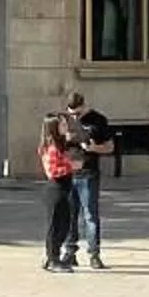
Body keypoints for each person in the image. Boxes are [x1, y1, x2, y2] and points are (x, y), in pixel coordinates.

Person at [65, 92, 117, 269]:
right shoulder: (65, 120)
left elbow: (110, 147)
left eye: (78, 114)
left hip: (88, 173)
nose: (74, 117)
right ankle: (69, 252)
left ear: (84, 106)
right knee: (69, 214)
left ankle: (94, 253)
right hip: (69, 172)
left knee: (90, 215)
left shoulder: (98, 120)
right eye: (71, 114)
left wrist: (94, 148)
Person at [38, 115, 87, 272]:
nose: (66, 126)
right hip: (56, 188)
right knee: (55, 225)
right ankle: (52, 259)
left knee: (65, 225)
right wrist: (72, 166)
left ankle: (52, 256)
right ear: (54, 127)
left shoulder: (61, 144)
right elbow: (52, 171)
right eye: (62, 124)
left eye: (65, 123)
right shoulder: (51, 147)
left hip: (64, 188)